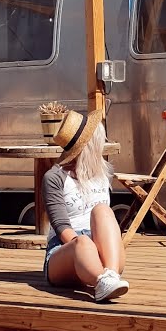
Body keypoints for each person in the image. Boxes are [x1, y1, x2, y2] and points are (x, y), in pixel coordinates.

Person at [42, 105, 130, 302]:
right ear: (89, 146)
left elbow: (105, 224)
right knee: (81, 242)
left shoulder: (102, 173)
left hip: (104, 253)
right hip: (67, 249)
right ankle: (102, 282)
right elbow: (61, 227)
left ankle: (109, 277)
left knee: (103, 211)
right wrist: (87, 246)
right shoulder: (54, 177)